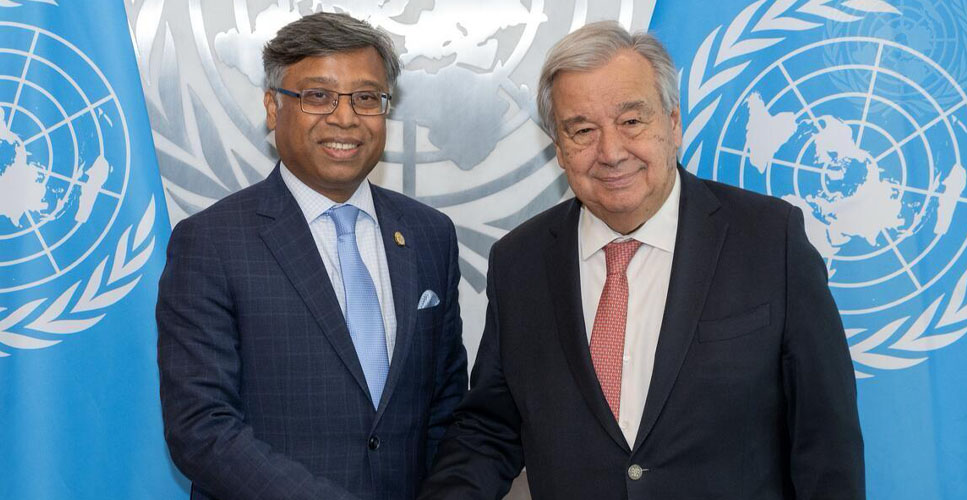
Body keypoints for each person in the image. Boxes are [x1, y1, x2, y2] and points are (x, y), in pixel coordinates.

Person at [420, 21, 864, 499]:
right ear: (560, 149)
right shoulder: (519, 263)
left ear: (673, 124)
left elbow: (826, 446)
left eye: (631, 121)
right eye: (582, 130)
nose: (611, 152)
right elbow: (490, 430)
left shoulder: (770, 241)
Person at [157, 12, 467, 500]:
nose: (345, 118)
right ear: (273, 107)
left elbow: (447, 409)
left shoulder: (430, 235)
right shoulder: (211, 242)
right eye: (318, 96)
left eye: (366, 97)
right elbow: (202, 428)